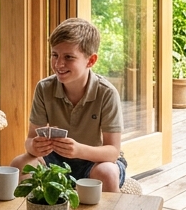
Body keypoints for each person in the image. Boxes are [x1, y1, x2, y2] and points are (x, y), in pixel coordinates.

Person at [10, 17, 127, 193]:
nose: (58, 64)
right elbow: (30, 140)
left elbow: (112, 152)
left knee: (107, 172)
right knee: (20, 164)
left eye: (68, 57)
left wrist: (79, 150)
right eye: (54, 55)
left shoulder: (106, 93)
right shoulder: (44, 88)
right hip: (55, 161)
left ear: (91, 61)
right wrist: (35, 146)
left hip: (95, 161)